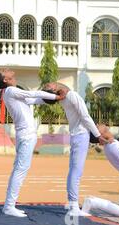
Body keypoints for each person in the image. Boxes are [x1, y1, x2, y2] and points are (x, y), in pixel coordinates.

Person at [0, 69, 65, 217]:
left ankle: (9, 204)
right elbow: (33, 94)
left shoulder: (10, 92)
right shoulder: (11, 90)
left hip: (24, 136)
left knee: (18, 170)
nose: (7, 69)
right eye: (3, 71)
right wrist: (56, 96)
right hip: (26, 136)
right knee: (20, 171)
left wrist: (51, 98)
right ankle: (9, 206)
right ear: (5, 79)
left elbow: (34, 100)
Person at [32, 82, 108, 216]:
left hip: (76, 135)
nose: (50, 82)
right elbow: (85, 117)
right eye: (49, 85)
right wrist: (98, 135)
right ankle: (73, 206)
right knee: (76, 172)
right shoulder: (71, 95)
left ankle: (71, 203)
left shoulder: (65, 98)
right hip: (81, 135)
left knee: (73, 170)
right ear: (54, 89)